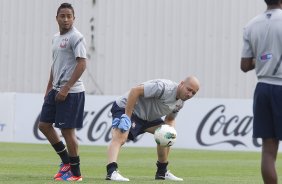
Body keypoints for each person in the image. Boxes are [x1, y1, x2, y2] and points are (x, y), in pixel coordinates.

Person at [106, 76, 200, 181]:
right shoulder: (163, 87)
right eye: (189, 89)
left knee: (166, 134)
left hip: (147, 118)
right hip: (126, 107)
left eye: (193, 93)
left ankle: (162, 172)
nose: (190, 94)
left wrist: (170, 133)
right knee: (121, 137)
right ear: (182, 83)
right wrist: (127, 117)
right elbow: (135, 91)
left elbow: (169, 119)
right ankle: (111, 172)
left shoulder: (180, 103)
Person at [38, 2, 87, 182]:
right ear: (57, 18)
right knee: (43, 125)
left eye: (69, 16)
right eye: (62, 16)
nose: (66, 19)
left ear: (74, 18)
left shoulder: (77, 37)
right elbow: (55, 64)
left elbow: (82, 64)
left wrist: (66, 88)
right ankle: (66, 162)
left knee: (68, 133)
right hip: (55, 90)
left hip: (72, 92)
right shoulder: (56, 37)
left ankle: (76, 174)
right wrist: (49, 87)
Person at [241, 0, 282, 183]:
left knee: (268, 150)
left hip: (263, 88)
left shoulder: (251, 24)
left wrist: (265, 59)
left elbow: (244, 65)